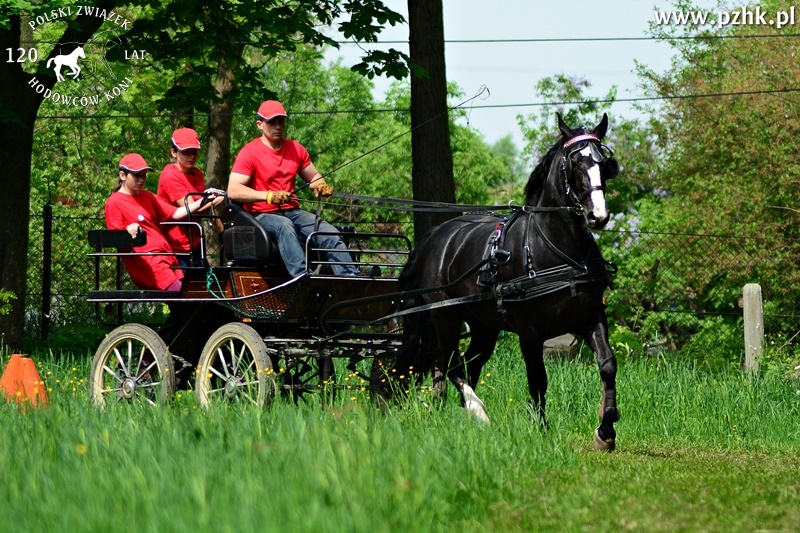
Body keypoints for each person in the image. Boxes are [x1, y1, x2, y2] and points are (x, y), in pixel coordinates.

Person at [227, 100, 360, 277]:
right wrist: (269, 196)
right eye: (272, 122)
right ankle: (303, 278)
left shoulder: (295, 149)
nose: (278, 126)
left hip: (292, 211)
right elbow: (233, 190)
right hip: (260, 215)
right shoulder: (249, 152)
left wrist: (320, 185)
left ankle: (351, 279)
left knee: (328, 233)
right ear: (260, 124)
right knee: (284, 226)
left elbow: (313, 176)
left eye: (281, 121)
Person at [104, 153, 222, 292]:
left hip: (167, 257)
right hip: (149, 264)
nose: (141, 179)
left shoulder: (147, 196)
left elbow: (176, 213)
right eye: (137, 175)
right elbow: (116, 238)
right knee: (185, 297)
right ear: (123, 175)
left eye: (144, 175)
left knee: (191, 298)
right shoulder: (114, 202)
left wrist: (203, 201)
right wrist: (127, 229)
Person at [157, 127, 225, 269]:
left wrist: (221, 230)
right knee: (183, 288)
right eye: (186, 152)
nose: (192, 156)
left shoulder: (197, 173)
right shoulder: (170, 175)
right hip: (175, 246)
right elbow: (191, 209)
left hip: (195, 241)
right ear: (173, 152)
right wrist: (214, 201)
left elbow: (202, 205)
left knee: (200, 286)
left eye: (194, 151)